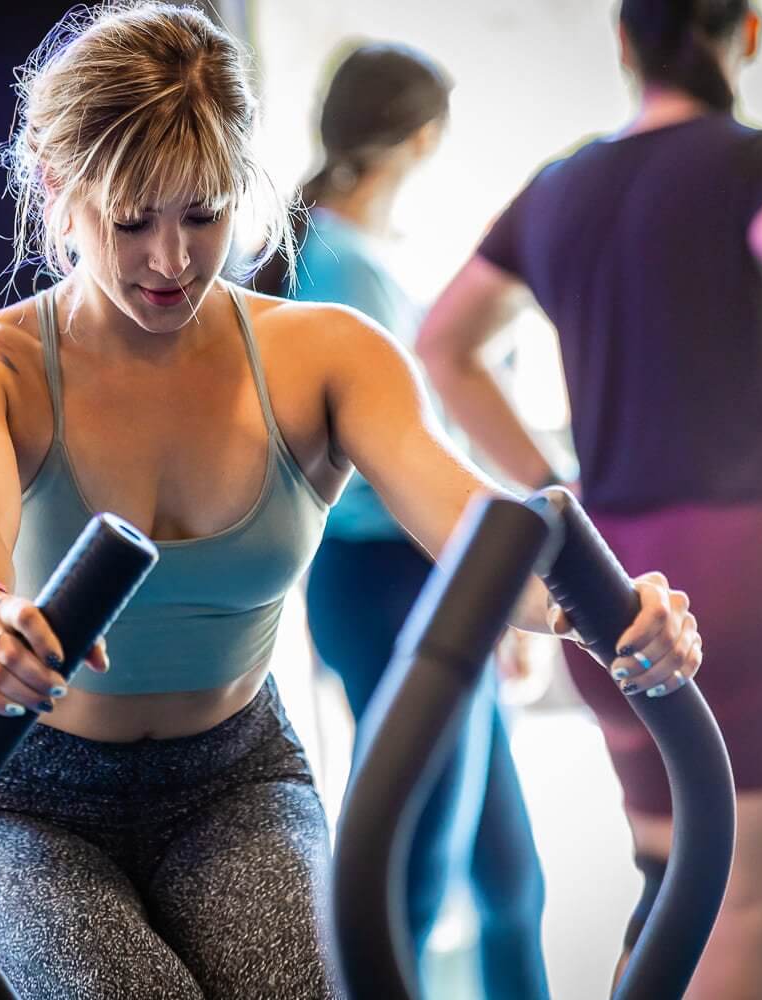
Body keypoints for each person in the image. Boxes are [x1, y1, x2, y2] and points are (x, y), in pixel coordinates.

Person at [0, 4, 702, 998]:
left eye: (202, 213)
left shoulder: (328, 356)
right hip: (21, 793)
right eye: (130, 218)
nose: (171, 260)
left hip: (230, 776)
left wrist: (608, 608)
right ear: (59, 193)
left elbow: (476, 528)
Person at [415, 2, 762, 997]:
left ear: (625, 43)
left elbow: (445, 344)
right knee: (738, 903)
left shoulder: (561, 188)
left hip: (615, 574)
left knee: (670, 888)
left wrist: (551, 482)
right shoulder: (754, 164)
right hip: (755, 564)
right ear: (744, 34)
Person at [253, 43, 549, 998]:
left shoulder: (352, 260)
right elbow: (392, 479)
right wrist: (495, 592)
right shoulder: (342, 273)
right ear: (422, 141)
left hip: (417, 575)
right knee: (412, 876)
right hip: (392, 580)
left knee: (509, 877)